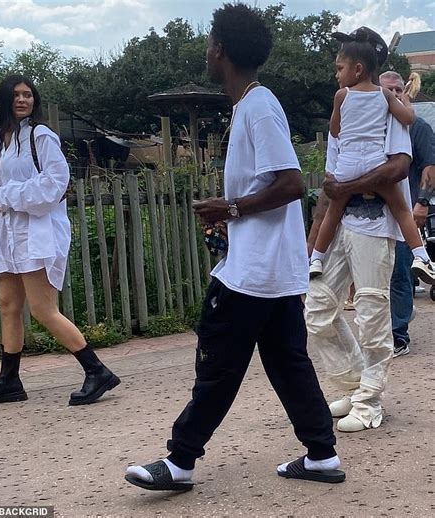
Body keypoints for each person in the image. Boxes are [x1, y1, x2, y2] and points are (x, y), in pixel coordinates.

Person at [124, 4, 344, 491]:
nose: (207, 50)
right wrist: (233, 214)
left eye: (209, 42)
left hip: (253, 273)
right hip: (273, 271)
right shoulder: (250, 104)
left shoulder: (259, 106)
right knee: (289, 364)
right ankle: (322, 455)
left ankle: (180, 461)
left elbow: (290, 183)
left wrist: (232, 209)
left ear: (220, 50)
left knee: (217, 364)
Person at [0, 75, 120, 407]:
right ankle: (9, 380)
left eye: (28, 94)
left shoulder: (41, 136)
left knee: (42, 309)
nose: (23, 100)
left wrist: (10, 195)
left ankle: (96, 370)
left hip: (35, 233)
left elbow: (56, 181)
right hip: (6, 236)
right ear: (4, 99)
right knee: (9, 305)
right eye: (17, 94)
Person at [305, 27, 413, 433]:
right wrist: (315, 237)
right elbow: (331, 174)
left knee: (370, 312)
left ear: (363, 62)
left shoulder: (388, 104)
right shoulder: (346, 104)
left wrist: (346, 189)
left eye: (342, 62)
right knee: (317, 308)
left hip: (374, 220)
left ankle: (370, 401)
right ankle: (354, 384)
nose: (337, 69)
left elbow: (398, 167)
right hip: (340, 219)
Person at [308, 32, 435, 285]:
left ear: (357, 69)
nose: (337, 74)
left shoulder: (341, 96)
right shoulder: (385, 97)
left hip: (349, 164)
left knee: (334, 209)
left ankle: (317, 259)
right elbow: (408, 119)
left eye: (339, 68)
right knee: (400, 208)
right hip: (375, 162)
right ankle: (421, 255)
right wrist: (406, 103)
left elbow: (335, 130)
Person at [379, 70, 435, 357]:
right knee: (380, 278)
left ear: (406, 91)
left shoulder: (418, 128)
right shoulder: (374, 127)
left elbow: (430, 167)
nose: (395, 95)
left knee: (399, 275)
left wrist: (422, 202)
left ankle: (398, 335)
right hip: (374, 218)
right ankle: (390, 324)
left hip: (405, 217)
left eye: (399, 89)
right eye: (388, 90)